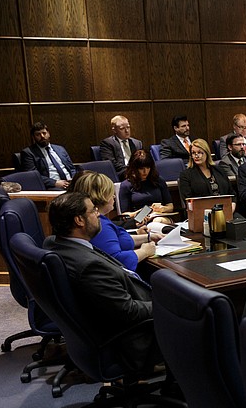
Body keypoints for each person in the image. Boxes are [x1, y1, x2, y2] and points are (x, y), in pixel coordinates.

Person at [44, 192, 164, 374]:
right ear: (79, 220)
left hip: (107, 325)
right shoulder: (88, 266)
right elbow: (129, 312)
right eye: (93, 211)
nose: (98, 214)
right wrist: (168, 307)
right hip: (132, 339)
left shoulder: (56, 244)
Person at [72, 172, 161, 272]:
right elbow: (116, 261)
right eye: (111, 193)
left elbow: (118, 239)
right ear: (102, 196)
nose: (114, 196)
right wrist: (144, 251)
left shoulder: (100, 220)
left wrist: (149, 237)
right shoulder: (98, 225)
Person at [119, 150, 175, 227]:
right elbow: (124, 215)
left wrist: (162, 209)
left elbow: (170, 206)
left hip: (159, 216)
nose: (145, 172)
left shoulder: (158, 180)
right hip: (139, 219)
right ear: (134, 168)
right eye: (141, 168)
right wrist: (141, 212)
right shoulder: (126, 185)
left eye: (148, 168)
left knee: (156, 221)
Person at [178, 139, 235, 212]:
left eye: (200, 152)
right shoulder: (186, 175)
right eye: (193, 153)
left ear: (207, 153)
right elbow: (189, 201)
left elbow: (232, 194)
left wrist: (232, 207)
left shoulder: (219, 170)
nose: (196, 156)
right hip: (201, 213)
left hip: (225, 210)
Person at [20, 121, 77, 190]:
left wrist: (74, 179)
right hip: (53, 186)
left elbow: (72, 168)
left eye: (44, 133)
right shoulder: (28, 153)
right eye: (38, 134)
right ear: (33, 137)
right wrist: (54, 183)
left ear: (48, 133)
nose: (42, 136)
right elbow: (33, 176)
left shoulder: (60, 149)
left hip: (71, 182)